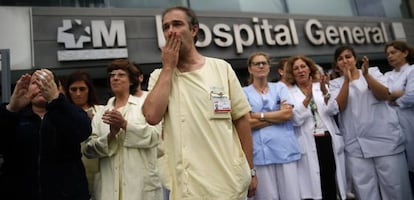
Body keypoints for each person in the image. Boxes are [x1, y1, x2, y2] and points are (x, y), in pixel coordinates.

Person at [142, 6, 257, 200]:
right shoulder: (159, 77)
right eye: (165, 27)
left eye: (177, 24)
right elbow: (152, 116)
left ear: (194, 30)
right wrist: (168, 66)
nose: (171, 31)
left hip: (229, 182)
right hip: (188, 187)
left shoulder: (221, 69)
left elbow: (242, 120)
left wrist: (251, 170)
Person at [329, 45, 413, 200]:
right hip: (355, 146)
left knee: (395, 190)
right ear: (336, 65)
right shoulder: (335, 84)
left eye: (348, 56)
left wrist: (366, 75)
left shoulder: (372, 72)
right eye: (340, 59)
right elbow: (339, 106)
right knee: (366, 192)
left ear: (355, 59)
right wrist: (347, 81)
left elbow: (384, 95)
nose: (345, 61)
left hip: (385, 141)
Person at [0, 69, 91, 200]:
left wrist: (56, 100)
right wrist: (11, 109)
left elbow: (82, 131)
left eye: (46, 83)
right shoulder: (14, 115)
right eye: (35, 83)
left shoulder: (69, 112)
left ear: (57, 88)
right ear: (26, 88)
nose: (40, 87)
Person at [83, 59, 163, 200]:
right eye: (112, 75)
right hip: (108, 188)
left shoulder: (145, 106)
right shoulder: (101, 113)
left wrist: (125, 125)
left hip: (141, 188)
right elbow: (89, 150)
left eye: (121, 75)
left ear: (131, 81)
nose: (115, 78)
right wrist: (111, 136)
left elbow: (155, 136)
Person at [284, 55, 347, 200]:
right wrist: (307, 99)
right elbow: (295, 119)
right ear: (292, 73)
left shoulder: (321, 87)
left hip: (327, 138)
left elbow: (333, 110)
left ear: (309, 69)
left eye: (303, 67)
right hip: (308, 141)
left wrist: (325, 91)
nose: (300, 70)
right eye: (296, 68)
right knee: (314, 187)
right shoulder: (288, 92)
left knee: (330, 177)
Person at [243, 52, 301, 200]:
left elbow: (287, 114)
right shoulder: (244, 92)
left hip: (285, 150)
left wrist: (259, 115)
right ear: (250, 69)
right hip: (261, 155)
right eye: (257, 63)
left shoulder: (280, 87)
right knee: (268, 197)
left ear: (269, 67)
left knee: (291, 196)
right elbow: (247, 123)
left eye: (264, 63)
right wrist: (277, 115)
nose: (261, 66)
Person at [65, 70, 104, 199]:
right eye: (73, 89)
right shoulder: (62, 114)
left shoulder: (101, 111)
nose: (78, 94)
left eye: (82, 89)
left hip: (100, 170)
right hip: (73, 174)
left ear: (89, 90)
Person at [383, 40, 414, 194]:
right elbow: (382, 96)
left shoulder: (412, 71)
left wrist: (393, 98)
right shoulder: (387, 75)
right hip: (394, 127)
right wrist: (397, 94)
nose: (390, 56)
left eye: (393, 52)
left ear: (405, 53)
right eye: (387, 54)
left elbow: (411, 96)